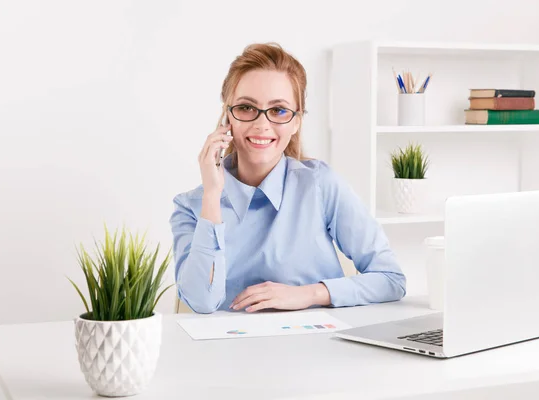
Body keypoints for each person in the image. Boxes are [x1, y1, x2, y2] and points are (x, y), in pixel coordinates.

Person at [169, 42, 406, 314]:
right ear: (227, 117)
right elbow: (201, 301)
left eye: (278, 110)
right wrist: (212, 196)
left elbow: (391, 279)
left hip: (319, 348)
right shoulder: (191, 206)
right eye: (246, 107)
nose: (262, 124)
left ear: (296, 121)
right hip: (231, 353)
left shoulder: (321, 185)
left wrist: (309, 294)